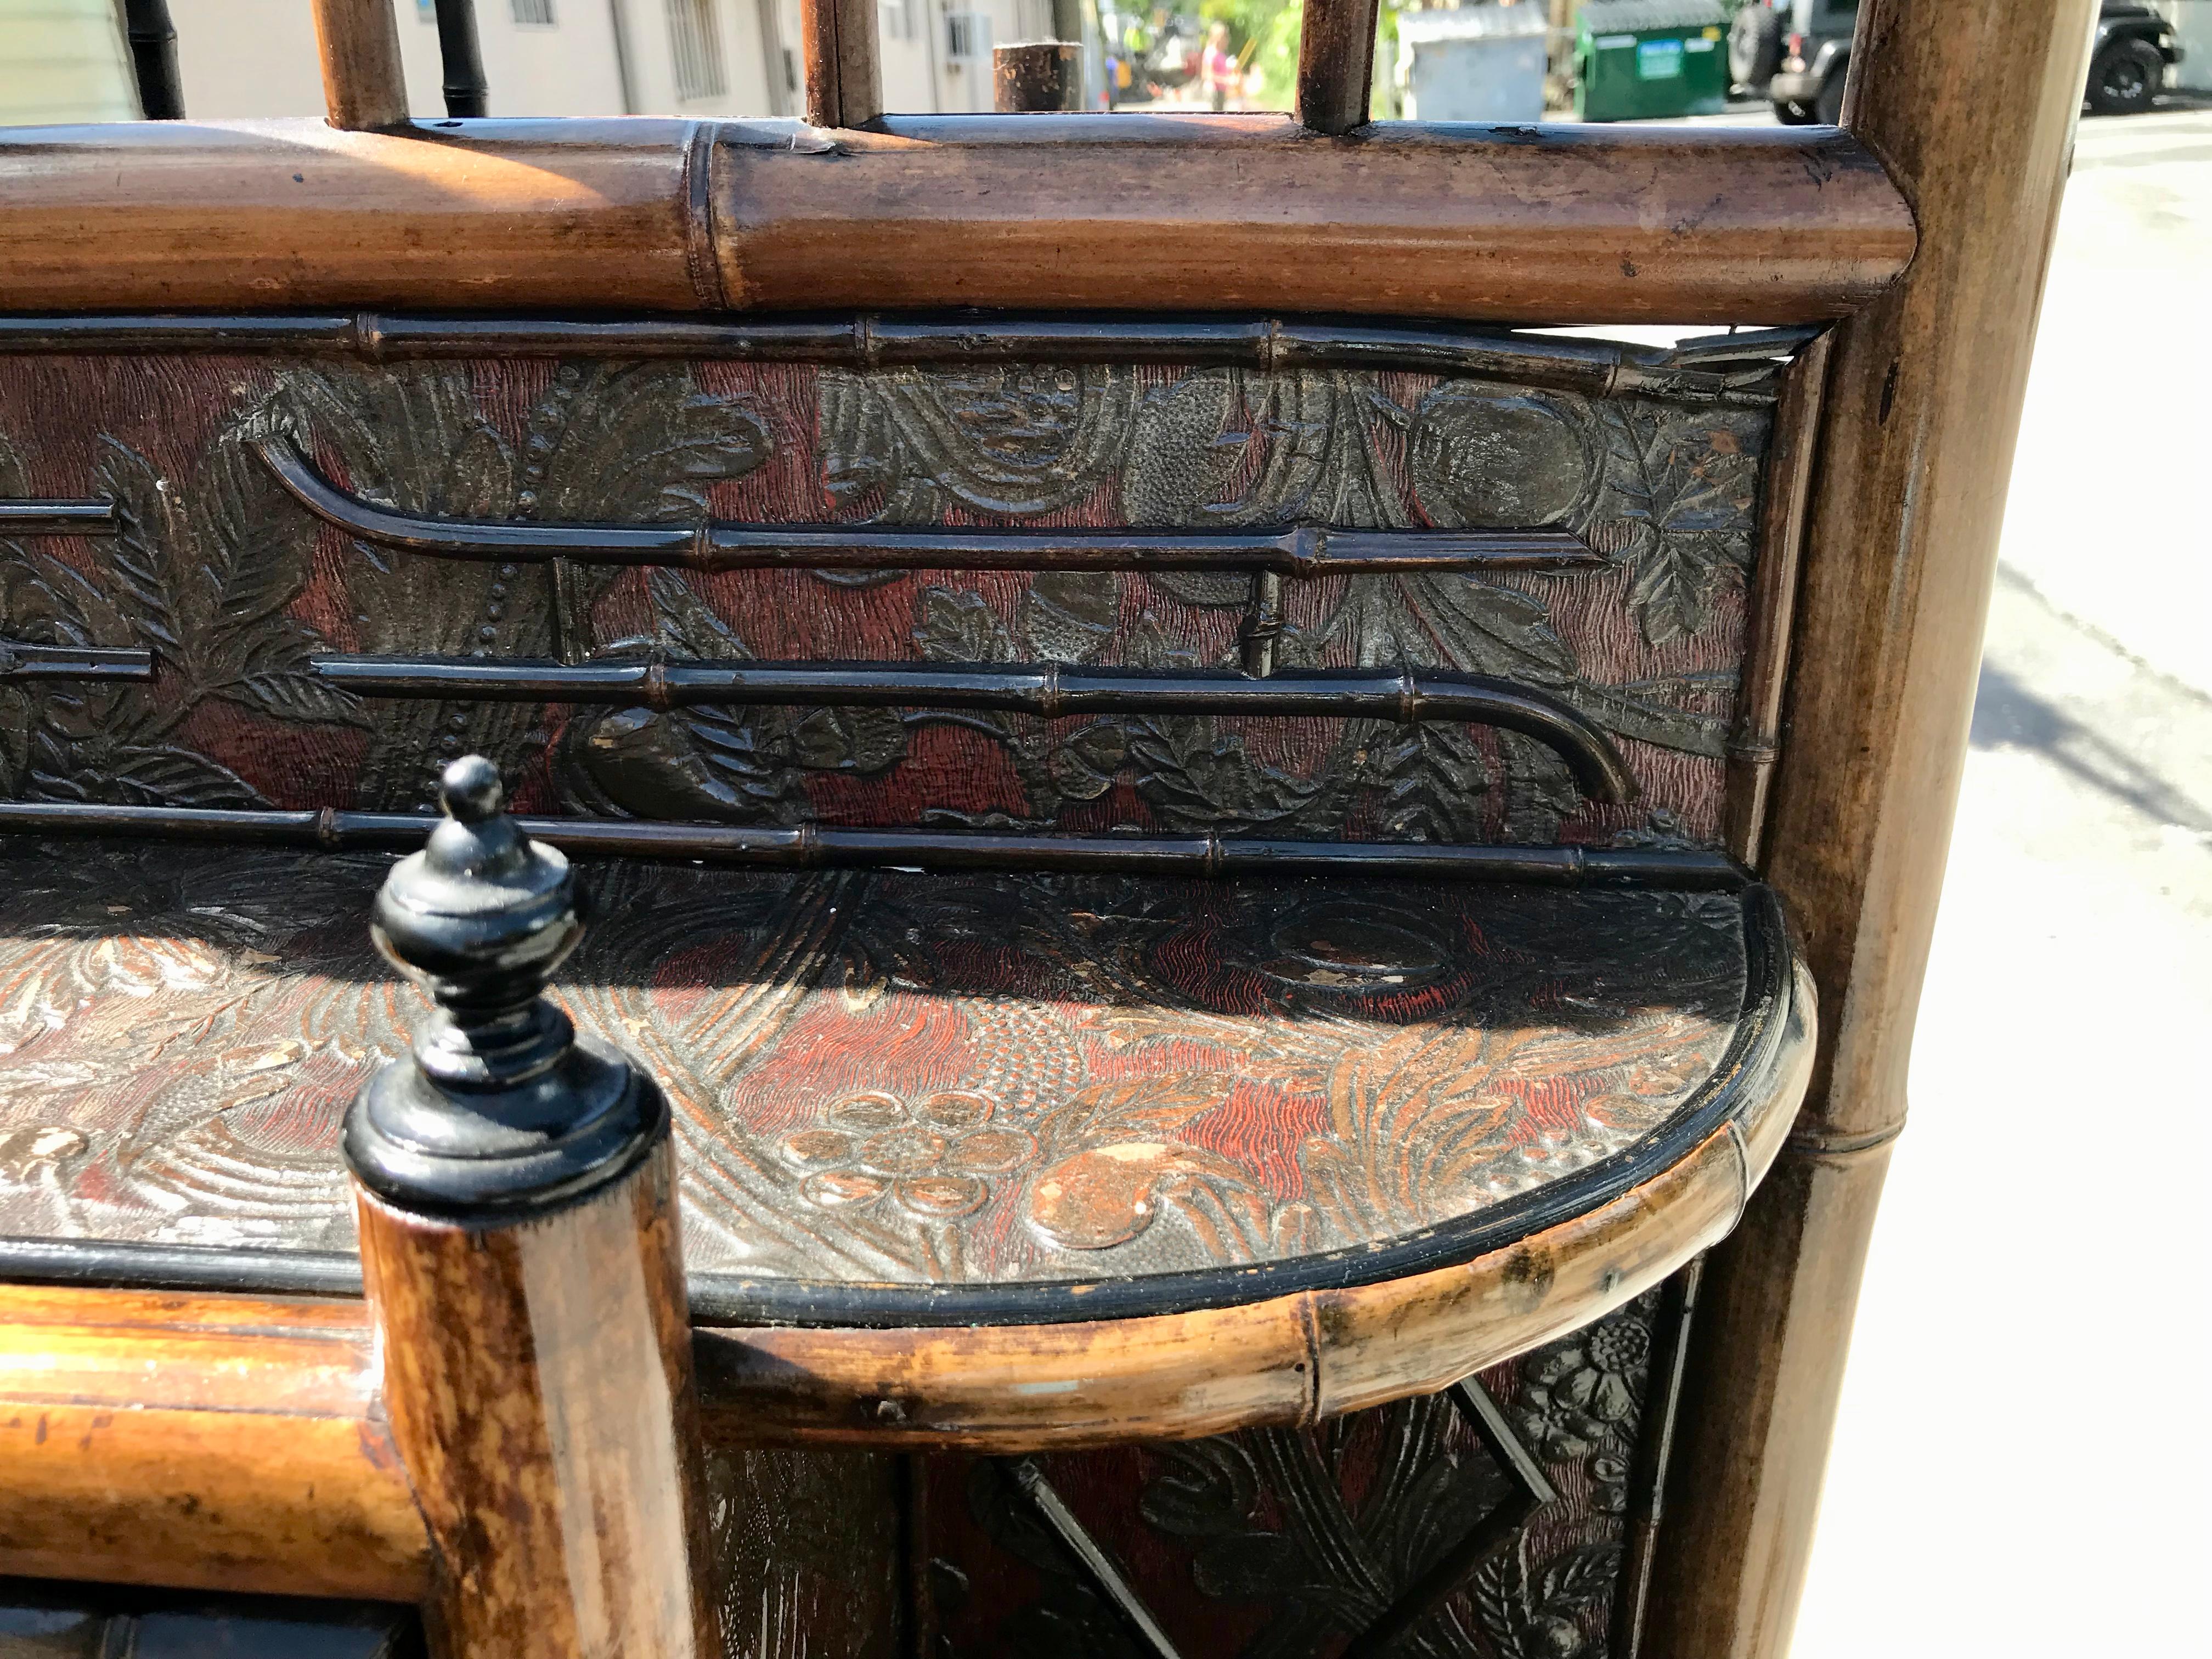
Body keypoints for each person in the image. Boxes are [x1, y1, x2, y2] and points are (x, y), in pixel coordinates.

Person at [1201, 20, 1238, 112]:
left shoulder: (1221, 54)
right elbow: (1206, 75)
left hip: (1221, 92)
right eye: (1224, 36)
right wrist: (1225, 80)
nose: (1227, 39)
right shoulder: (1211, 53)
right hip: (1214, 92)